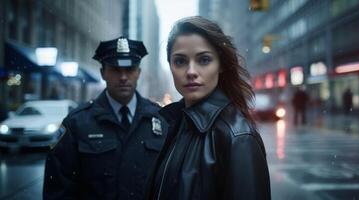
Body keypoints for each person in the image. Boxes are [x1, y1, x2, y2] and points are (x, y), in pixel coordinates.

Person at [145, 16, 271, 200]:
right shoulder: (176, 123)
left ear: (220, 65)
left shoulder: (238, 137)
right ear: (170, 65)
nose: (191, 72)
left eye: (204, 60)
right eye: (180, 61)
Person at [43, 37, 167, 200]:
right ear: (103, 73)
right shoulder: (77, 123)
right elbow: (58, 189)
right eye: (115, 69)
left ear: (138, 72)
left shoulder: (160, 119)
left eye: (130, 69)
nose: (123, 77)